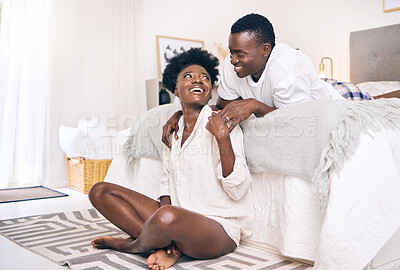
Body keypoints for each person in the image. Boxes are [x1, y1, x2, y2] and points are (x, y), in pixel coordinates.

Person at [88, 48, 254, 270]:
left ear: (210, 91)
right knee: (99, 191)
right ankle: (165, 247)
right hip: (176, 216)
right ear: (175, 89)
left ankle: (132, 246)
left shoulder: (224, 123)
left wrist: (222, 137)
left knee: (168, 215)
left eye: (205, 77)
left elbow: (238, 189)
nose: (198, 80)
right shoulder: (172, 131)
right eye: (189, 76)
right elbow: (166, 185)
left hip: (219, 227)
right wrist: (165, 219)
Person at [162, 13, 343, 147]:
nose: (233, 60)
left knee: (362, 97)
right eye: (231, 52)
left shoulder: (288, 68)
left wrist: (255, 105)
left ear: (265, 50)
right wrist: (183, 114)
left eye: (240, 54)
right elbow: (222, 107)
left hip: (332, 102)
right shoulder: (230, 66)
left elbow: (296, 121)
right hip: (298, 99)